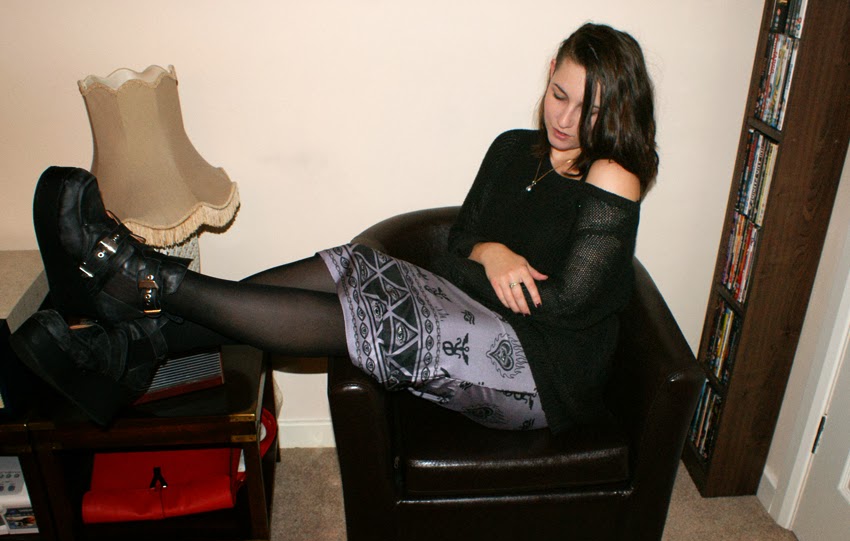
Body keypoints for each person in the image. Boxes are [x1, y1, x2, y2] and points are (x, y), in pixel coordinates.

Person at [12, 22, 658, 434]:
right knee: (352, 262)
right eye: (560, 94)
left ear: (616, 111)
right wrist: (491, 251)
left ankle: (141, 284)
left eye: (589, 108)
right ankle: (132, 341)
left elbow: (566, 305)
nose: (566, 119)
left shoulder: (612, 174)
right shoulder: (513, 148)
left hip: (541, 371)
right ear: (549, 71)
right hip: (476, 309)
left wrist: (482, 266)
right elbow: (461, 241)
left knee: (380, 320)